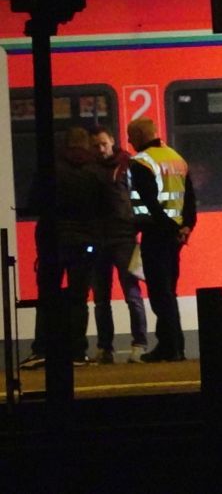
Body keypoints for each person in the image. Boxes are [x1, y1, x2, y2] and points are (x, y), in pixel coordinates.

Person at [19, 128, 107, 370]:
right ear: (86, 145)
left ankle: (42, 350)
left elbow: (34, 202)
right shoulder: (96, 171)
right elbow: (105, 207)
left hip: (53, 241)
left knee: (48, 296)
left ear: (65, 144)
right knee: (79, 298)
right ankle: (77, 351)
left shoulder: (50, 170)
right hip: (85, 242)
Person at [127, 117, 196, 362]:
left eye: (131, 137)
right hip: (175, 237)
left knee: (159, 294)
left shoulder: (141, 162)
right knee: (169, 291)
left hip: (156, 234)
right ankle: (171, 345)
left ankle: (171, 347)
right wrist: (186, 226)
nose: (129, 141)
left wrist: (168, 228)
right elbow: (189, 198)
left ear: (139, 135)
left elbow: (150, 203)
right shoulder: (176, 158)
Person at [90, 125, 147, 364]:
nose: (101, 149)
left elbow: (140, 197)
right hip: (101, 238)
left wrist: (135, 225)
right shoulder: (93, 168)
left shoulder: (127, 165)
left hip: (123, 237)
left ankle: (139, 344)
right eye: (96, 146)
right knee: (101, 299)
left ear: (112, 141)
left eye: (103, 144)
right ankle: (106, 348)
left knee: (131, 295)